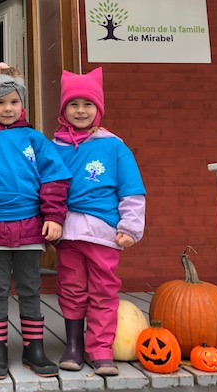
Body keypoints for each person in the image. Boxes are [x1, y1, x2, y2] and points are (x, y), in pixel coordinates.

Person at [0, 62, 71, 380]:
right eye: (0, 102)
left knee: (30, 288)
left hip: (30, 227)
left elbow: (54, 178)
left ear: (22, 104)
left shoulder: (34, 139)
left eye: (14, 101)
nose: (7, 108)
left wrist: (53, 215)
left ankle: (33, 348)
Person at [52, 67, 146, 376]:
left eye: (87, 104)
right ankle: (74, 346)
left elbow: (131, 189)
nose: (80, 111)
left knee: (104, 291)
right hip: (67, 234)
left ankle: (101, 348)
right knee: (71, 288)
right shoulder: (54, 148)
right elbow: (45, 188)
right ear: (64, 109)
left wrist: (130, 227)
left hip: (104, 233)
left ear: (99, 108)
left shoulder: (114, 146)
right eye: (73, 104)